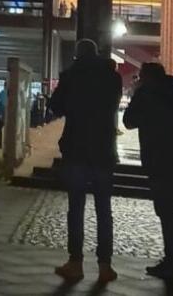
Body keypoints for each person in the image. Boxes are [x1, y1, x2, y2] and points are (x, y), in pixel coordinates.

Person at [48, 39, 122, 285]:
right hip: (103, 148)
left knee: (76, 207)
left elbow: (55, 106)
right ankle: (105, 265)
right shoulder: (112, 77)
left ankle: (75, 262)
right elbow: (112, 105)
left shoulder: (72, 76)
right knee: (104, 209)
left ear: (78, 55)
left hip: (77, 147)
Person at [123, 62, 173, 282]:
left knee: (166, 210)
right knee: (172, 210)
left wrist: (137, 94)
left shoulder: (148, 93)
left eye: (141, 76)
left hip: (159, 159)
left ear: (146, 77)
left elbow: (129, 121)